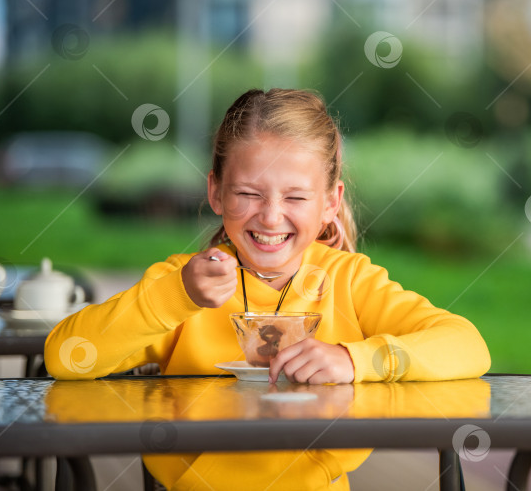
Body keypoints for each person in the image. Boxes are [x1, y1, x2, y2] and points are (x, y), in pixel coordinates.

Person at [44, 88, 491, 490]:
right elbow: (64, 355)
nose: (271, 217)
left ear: (330, 204)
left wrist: (355, 359)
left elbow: (466, 345)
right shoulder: (183, 282)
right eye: (249, 194)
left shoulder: (349, 281)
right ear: (216, 193)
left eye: (295, 198)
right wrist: (175, 296)